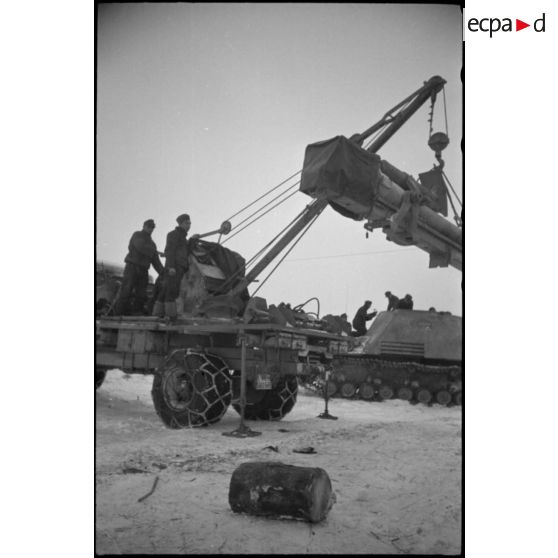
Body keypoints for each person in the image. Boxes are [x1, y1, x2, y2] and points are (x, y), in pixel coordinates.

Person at [113, 219, 164, 315]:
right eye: (149, 226)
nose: (150, 229)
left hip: (143, 270)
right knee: (126, 291)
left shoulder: (153, 244)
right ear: (144, 226)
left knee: (141, 294)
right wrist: (154, 252)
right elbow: (140, 246)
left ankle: (136, 313)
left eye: (152, 227)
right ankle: (118, 314)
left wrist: (163, 273)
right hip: (132, 268)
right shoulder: (137, 235)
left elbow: (156, 262)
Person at [153, 213, 197, 319]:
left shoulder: (183, 238)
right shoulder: (173, 234)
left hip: (180, 267)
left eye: (190, 223)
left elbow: (186, 252)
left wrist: (192, 241)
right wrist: (171, 267)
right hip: (174, 267)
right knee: (172, 290)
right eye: (186, 223)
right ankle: (171, 315)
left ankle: (158, 313)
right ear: (180, 224)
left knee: (165, 290)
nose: (189, 226)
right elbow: (170, 251)